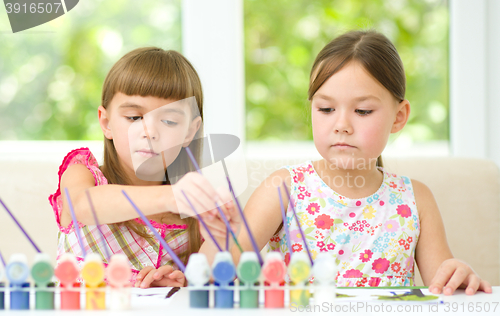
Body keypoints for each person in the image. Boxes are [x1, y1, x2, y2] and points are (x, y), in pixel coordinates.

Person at [213, 30, 492, 295]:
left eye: (362, 111)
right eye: (326, 109)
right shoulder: (283, 188)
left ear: (399, 116)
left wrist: (458, 274)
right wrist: (217, 234)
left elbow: (442, 287)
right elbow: (215, 271)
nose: (342, 125)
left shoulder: (416, 199)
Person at [49, 47, 236, 288]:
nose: (149, 132)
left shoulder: (192, 217)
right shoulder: (84, 174)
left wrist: (179, 282)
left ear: (190, 131)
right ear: (106, 123)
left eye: (169, 121)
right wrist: (171, 196)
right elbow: (82, 207)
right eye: (134, 118)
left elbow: (208, 282)